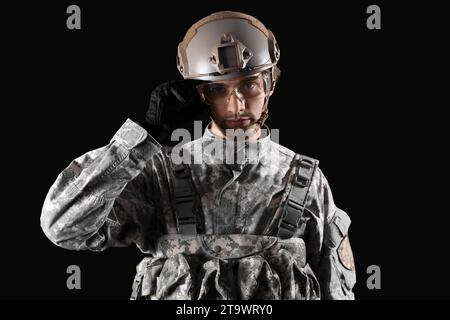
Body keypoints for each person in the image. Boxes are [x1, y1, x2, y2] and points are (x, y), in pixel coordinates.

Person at [41, 11, 356, 300]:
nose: (236, 105)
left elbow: (336, 290)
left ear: (270, 83)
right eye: (218, 90)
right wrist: (139, 140)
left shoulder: (305, 179)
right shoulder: (159, 172)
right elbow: (62, 227)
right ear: (199, 94)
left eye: (249, 85)